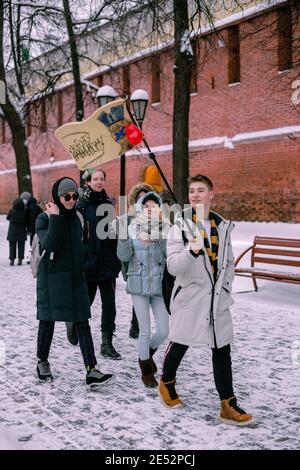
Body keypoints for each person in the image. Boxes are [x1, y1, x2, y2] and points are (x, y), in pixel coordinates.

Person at [158, 174, 253, 426]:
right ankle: (166, 382)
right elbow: (172, 267)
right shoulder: (180, 226)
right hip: (190, 297)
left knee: (222, 349)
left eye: (201, 190)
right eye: (192, 191)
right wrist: (191, 250)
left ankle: (227, 404)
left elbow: (229, 261)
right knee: (181, 342)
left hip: (217, 300)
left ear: (212, 194)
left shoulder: (222, 227)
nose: (195, 195)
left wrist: (227, 286)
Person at [35, 176, 112, 388]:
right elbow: (51, 244)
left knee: (82, 322)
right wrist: (56, 218)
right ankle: (42, 361)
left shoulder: (78, 217)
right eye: (66, 196)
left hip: (76, 277)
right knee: (47, 320)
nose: (71, 200)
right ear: (57, 197)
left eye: (74, 196)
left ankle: (91, 369)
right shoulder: (44, 219)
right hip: (51, 279)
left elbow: (85, 242)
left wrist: (84, 256)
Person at [117, 192, 169, 388]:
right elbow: (123, 256)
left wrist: (161, 238)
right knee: (145, 331)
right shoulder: (130, 229)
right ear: (140, 208)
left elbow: (168, 257)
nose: (149, 209)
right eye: (146, 206)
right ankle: (146, 371)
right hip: (138, 284)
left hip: (158, 286)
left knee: (164, 330)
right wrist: (122, 238)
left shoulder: (165, 229)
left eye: (153, 206)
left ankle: (144, 356)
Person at [76, 169, 122, 360]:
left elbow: (112, 232)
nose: (99, 182)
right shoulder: (81, 205)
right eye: (95, 179)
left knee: (109, 305)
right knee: (86, 302)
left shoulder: (108, 203)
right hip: (89, 263)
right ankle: (74, 323)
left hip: (108, 263)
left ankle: (106, 343)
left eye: (102, 179)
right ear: (88, 182)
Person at [125, 183, 154, 339]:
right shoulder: (130, 220)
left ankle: (139, 326)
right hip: (137, 264)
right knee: (140, 296)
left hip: (153, 263)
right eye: (139, 197)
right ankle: (136, 326)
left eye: (145, 196)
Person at [6, 198, 27, 266]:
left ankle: (12, 260)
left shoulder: (11, 211)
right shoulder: (24, 212)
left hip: (12, 232)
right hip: (22, 232)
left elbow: (7, 218)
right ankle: (20, 260)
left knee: (12, 246)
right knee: (21, 247)